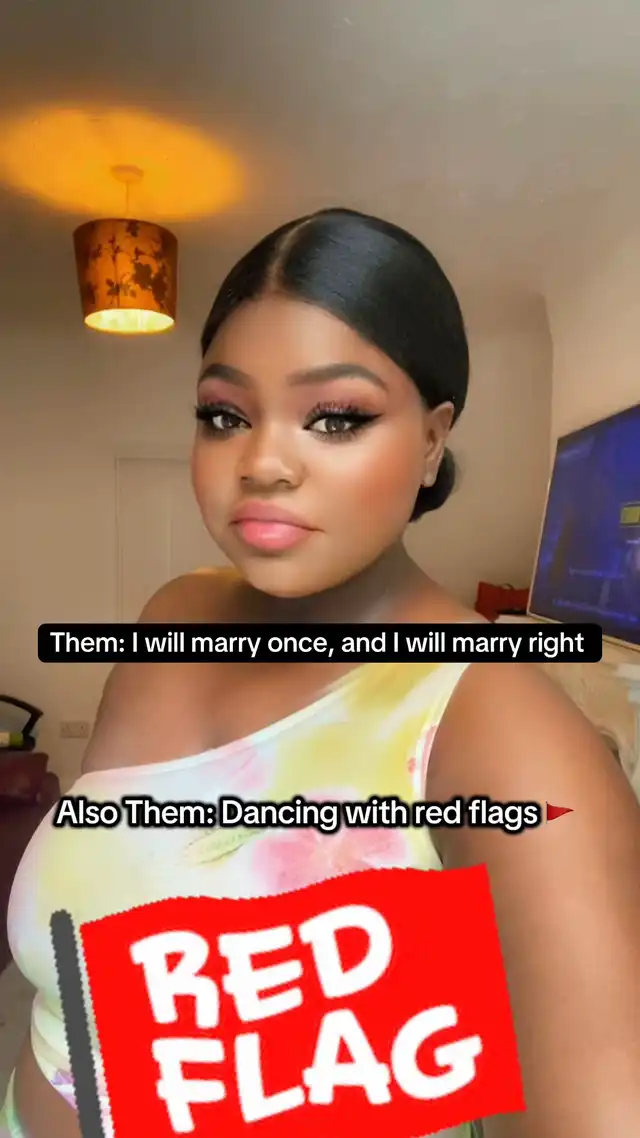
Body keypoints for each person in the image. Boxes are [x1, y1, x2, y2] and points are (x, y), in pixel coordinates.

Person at [3, 208, 640, 1138]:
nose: (262, 462)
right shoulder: (174, 616)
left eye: (336, 417)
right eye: (225, 415)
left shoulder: (503, 734)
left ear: (433, 439)